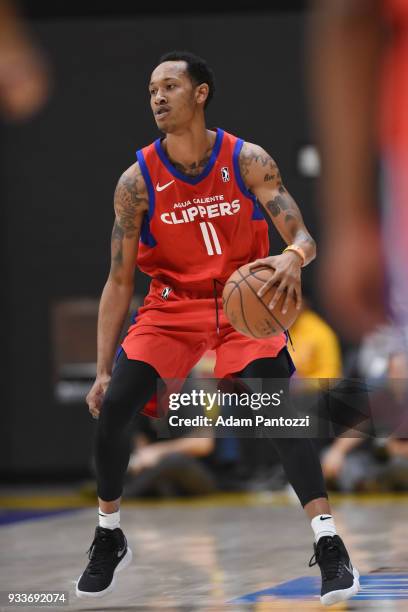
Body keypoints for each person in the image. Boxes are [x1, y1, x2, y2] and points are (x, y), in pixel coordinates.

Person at [75, 51, 359, 606]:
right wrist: (103, 369)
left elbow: (303, 237)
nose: (157, 97)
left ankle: (329, 544)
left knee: (280, 408)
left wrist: (291, 259)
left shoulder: (248, 160)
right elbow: (116, 282)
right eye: (152, 89)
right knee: (114, 411)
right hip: (170, 307)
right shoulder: (136, 183)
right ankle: (109, 533)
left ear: (200, 93)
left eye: (170, 86)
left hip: (240, 301)